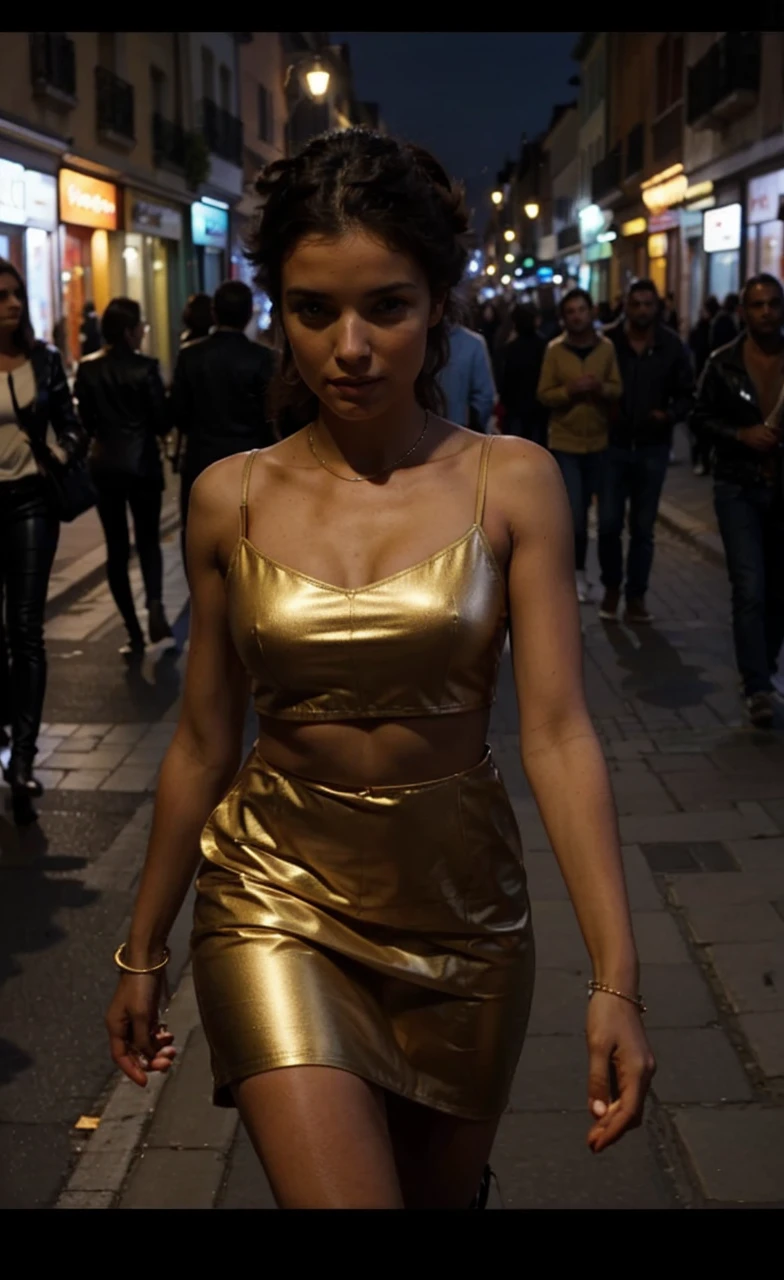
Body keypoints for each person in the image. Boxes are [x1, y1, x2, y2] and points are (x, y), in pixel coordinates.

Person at [104, 127, 654, 1212]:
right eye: (314, 310)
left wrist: (616, 980)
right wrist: (139, 946)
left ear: (436, 307)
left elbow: (555, 732)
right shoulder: (230, 495)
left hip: (463, 903)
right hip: (275, 894)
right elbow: (207, 736)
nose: (349, 346)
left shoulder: (516, 482)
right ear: (277, 311)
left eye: (386, 307)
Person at [0, 258, 85, 820]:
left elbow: (75, 425)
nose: (11, 304)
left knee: (26, 628)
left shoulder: (45, 360)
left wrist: (57, 453)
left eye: (16, 295)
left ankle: (24, 758)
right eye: (1, 296)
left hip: (32, 499)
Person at [691, 273, 784, 728]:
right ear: (743, 311)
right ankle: (758, 686)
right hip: (738, 487)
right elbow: (699, 419)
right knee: (749, 585)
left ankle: (763, 664)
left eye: (773, 303)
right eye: (757, 305)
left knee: (777, 589)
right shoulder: (722, 362)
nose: (766, 312)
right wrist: (741, 434)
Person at [74, 297, 173, 657]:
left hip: (104, 467)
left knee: (116, 549)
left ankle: (132, 631)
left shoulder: (87, 369)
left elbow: (84, 423)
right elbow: (162, 422)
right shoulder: (146, 368)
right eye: (141, 325)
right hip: (143, 465)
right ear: (131, 331)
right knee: (148, 542)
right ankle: (156, 603)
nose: (144, 330)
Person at [600, 279, 695, 623]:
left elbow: (688, 393)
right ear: (625, 306)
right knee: (609, 524)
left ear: (657, 308)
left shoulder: (671, 346)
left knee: (643, 528)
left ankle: (636, 596)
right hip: (613, 445)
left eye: (648, 304)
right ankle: (611, 587)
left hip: (653, 447)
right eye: (636, 304)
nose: (642, 310)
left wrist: (668, 415)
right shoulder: (608, 341)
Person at [169, 280, 277, 570]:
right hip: (251, 462)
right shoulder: (263, 359)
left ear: (215, 313)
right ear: (247, 315)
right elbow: (273, 413)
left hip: (202, 460)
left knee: (200, 543)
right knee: (252, 541)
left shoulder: (190, 356)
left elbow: (178, 412)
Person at [537, 288, 622, 602]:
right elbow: (544, 394)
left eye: (581, 310)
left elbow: (617, 388)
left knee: (609, 518)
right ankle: (577, 573)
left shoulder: (606, 349)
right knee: (573, 515)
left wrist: (600, 388)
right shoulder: (555, 350)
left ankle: (609, 580)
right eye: (570, 311)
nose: (577, 316)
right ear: (564, 317)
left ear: (591, 313)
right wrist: (570, 390)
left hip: (600, 442)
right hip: (565, 442)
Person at [497, 303, 547, 445]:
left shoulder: (510, 348)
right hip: (538, 409)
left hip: (515, 408)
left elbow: (504, 380)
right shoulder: (544, 345)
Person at [437, 321, 496, 430]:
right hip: (458, 430)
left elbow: (485, 397)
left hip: (456, 432)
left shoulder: (473, 343)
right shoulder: (473, 343)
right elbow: (485, 397)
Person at [688, 296, 720, 475]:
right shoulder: (708, 327)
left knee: (703, 423)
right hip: (705, 377)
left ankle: (702, 458)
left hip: (704, 377)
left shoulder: (705, 328)